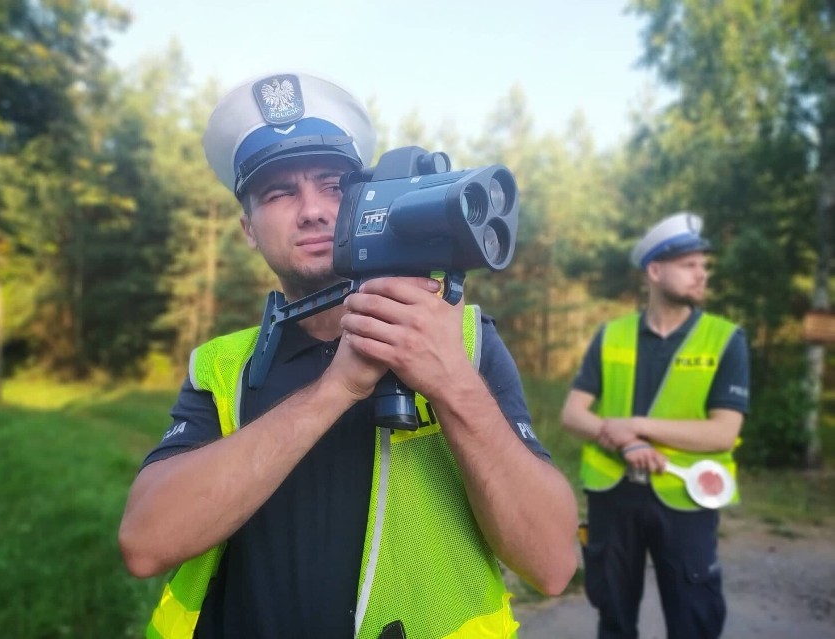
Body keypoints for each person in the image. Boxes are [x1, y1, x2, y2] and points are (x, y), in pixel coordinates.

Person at [118, 70, 579, 639]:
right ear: (247, 229)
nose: (312, 209)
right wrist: (340, 386)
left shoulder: (464, 339)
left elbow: (553, 563)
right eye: (280, 192)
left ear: (369, 200)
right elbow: (146, 544)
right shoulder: (222, 365)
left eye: (334, 185)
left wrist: (453, 384)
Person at [560, 212, 750, 639]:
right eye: (689, 265)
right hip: (614, 495)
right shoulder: (611, 335)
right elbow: (573, 414)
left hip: (685, 498)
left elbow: (722, 431)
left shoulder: (725, 339)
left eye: (704, 266)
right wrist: (627, 445)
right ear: (655, 270)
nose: (701, 275)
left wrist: (636, 425)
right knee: (613, 616)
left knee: (694, 620)